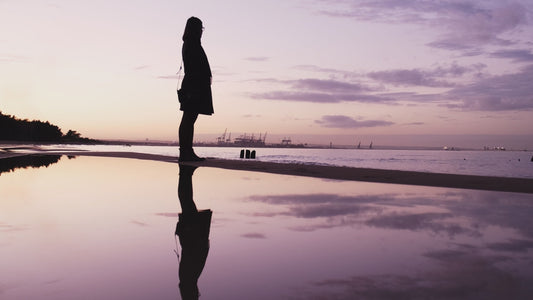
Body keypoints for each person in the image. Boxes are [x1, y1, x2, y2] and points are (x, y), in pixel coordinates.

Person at [178, 16, 214, 162]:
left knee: (189, 119)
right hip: (194, 86)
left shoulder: (190, 43)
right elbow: (194, 68)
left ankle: (187, 151)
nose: (201, 32)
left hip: (193, 85)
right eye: (200, 28)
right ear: (195, 29)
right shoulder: (192, 44)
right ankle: (186, 151)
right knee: (189, 119)